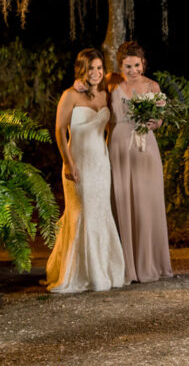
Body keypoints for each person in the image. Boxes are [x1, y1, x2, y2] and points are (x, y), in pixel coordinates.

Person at [45, 49, 126, 293]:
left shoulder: (107, 94)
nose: (96, 73)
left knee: (100, 212)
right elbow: (60, 131)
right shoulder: (70, 95)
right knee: (82, 211)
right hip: (77, 160)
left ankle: (102, 271)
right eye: (91, 68)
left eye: (99, 68)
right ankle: (78, 273)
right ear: (82, 69)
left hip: (101, 163)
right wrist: (69, 163)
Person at [107, 41, 173, 284]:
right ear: (120, 65)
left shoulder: (152, 85)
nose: (133, 70)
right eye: (128, 66)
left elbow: (160, 120)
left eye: (136, 65)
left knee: (147, 203)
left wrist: (152, 122)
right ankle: (125, 266)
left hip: (145, 147)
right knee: (122, 200)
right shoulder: (112, 83)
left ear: (143, 63)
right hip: (119, 146)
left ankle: (148, 262)